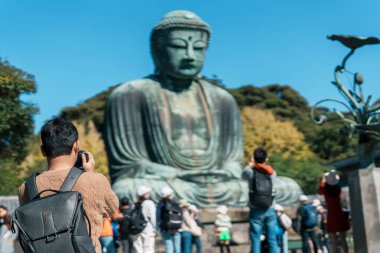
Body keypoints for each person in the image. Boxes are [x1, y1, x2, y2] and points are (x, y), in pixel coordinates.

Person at [103, 10, 246, 207]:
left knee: (285, 188)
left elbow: (232, 161)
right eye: (178, 46)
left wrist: (226, 171)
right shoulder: (129, 95)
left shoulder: (223, 100)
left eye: (198, 48)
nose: (189, 56)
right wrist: (179, 174)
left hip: (219, 184)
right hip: (168, 183)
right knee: (126, 189)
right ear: (157, 50)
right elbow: (128, 167)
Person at [17, 118, 119, 253]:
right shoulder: (96, 180)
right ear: (76, 146)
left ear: (43, 150)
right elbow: (111, 209)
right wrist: (90, 174)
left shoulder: (25, 188)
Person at [242, 147, 279, 253]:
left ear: (254, 158)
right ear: (266, 159)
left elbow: (243, 174)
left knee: (255, 238)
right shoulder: (272, 173)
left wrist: (251, 163)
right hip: (270, 207)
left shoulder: (250, 172)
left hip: (255, 208)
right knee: (272, 239)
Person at [318, 170, 350, 253]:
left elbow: (320, 190)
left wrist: (323, 179)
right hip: (340, 214)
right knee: (343, 239)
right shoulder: (338, 189)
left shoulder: (325, 191)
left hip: (331, 215)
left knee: (334, 240)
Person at [131, 186, 156, 253]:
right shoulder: (149, 203)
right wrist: (155, 229)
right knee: (148, 249)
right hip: (148, 229)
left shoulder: (134, 204)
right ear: (145, 194)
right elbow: (153, 218)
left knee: (138, 250)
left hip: (136, 229)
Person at [157, 187, 182, 253]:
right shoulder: (175, 203)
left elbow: (158, 217)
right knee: (177, 248)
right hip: (177, 228)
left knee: (169, 248)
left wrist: (161, 227)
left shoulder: (161, 204)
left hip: (166, 229)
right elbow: (181, 216)